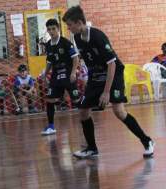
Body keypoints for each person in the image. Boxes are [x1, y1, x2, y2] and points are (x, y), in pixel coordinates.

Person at [62, 6, 154, 159]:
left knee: (118, 111)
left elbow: (111, 64)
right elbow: (90, 60)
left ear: (79, 23)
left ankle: (147, 141)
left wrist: (106, 92)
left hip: (113, 73)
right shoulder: (77, 38)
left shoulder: (98, 36)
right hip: (96, 75)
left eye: (70, 25)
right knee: (83, 111)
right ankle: (92, 149)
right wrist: (85, 79)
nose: (68, 28)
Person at [41, 19, 80, 135]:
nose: (51, 31)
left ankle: (86, 120)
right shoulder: (48, 45)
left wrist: (73, 73)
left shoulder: (66, 43)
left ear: (58, 29)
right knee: (49, 99)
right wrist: (45, 75)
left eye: (53, 29)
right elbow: (49, 61)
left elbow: (75, 58)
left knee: (76, 100)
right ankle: (51, 126)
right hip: (56, 75)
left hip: (68, 74)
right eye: (49, 29)